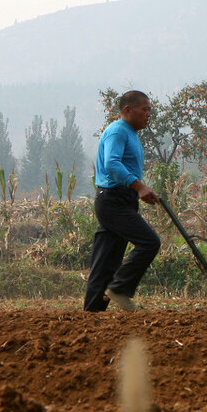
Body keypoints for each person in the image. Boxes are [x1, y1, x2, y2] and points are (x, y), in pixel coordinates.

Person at [83, 90, 161, 312]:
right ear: (128, 109)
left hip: (119, 200)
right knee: (149, 242)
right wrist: (139, 186)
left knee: (105, 262)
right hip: (112, 200)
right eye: (144, 109)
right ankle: (120, 288)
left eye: (149, 110)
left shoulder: (129, 133)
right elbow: (112, 164)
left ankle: (92, 315)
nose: (148, 114)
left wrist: (139, 190)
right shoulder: (118, 131)